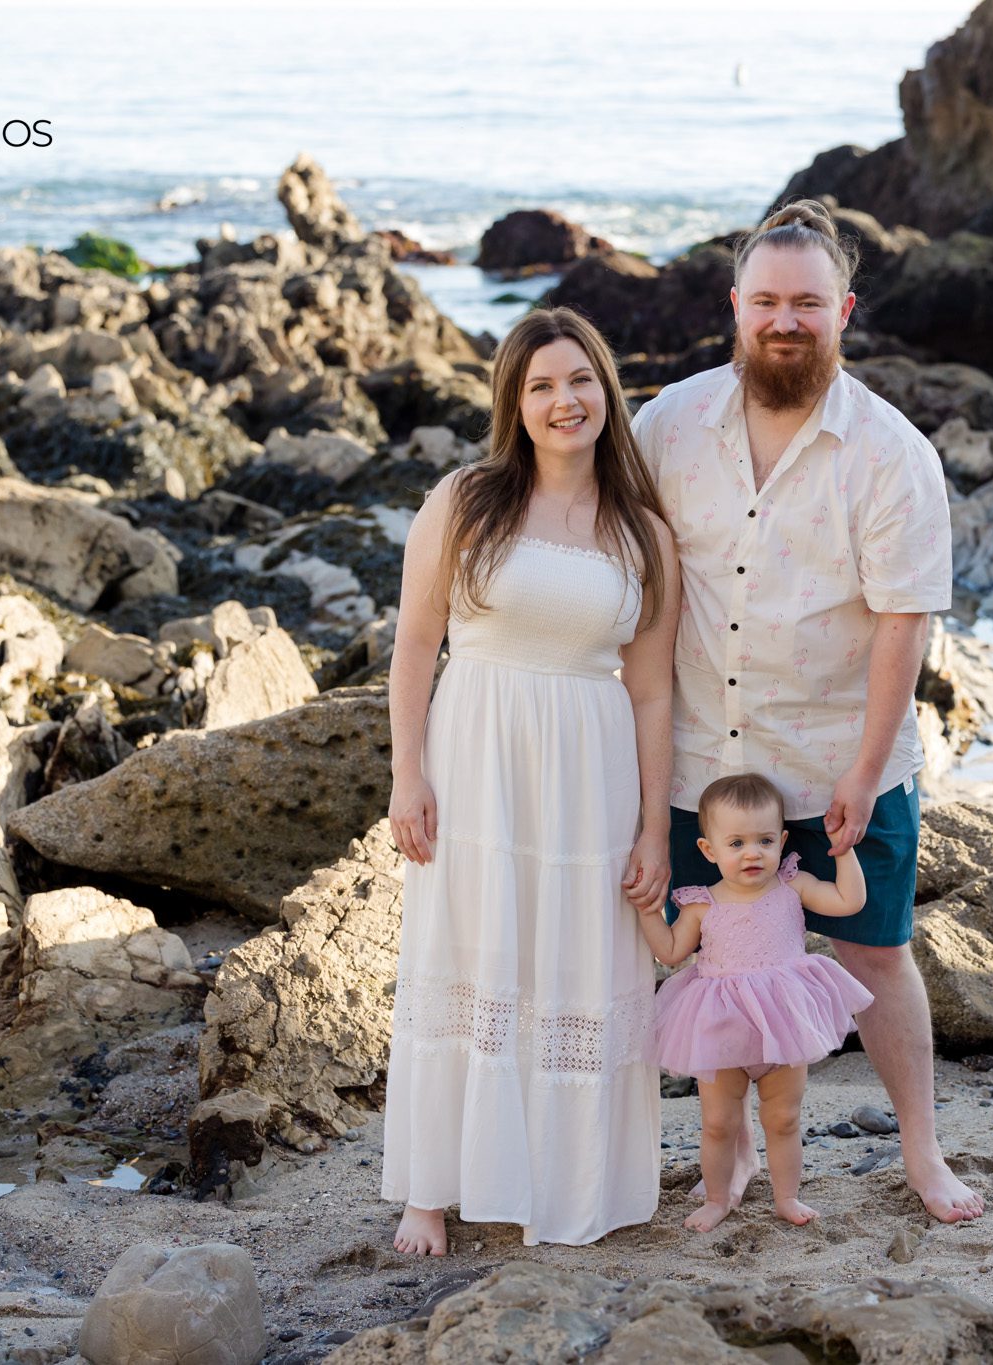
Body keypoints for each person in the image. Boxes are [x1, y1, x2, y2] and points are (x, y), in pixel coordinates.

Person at [628, 198, 983, 1224]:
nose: (786, 321)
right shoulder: (667, 425)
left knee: (876, 953)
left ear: (844, 312)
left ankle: (921, 1153)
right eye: (767, 301)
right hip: (701, 765)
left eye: (808, 304)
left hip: (838, 759)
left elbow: (902, 627)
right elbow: (629, 573)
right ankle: (733, 1150)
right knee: (716, 965)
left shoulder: (891, 453)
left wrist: (863, 775)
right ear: (736, 305)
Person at [382, 307, 680, 1254]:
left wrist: (654, 831)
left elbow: (652, 693)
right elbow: (415, 644)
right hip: (477, 759)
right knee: (466, 951)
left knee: (576, 961)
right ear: (514, 400)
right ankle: (430, 1189)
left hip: (591, 773)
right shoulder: (465, 500)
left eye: (581, 379)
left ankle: (567, 1184)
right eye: (542, 384)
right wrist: (407, 774)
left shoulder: (643, 533)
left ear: (607, 392)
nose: (565, 400)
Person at [640, 772, 874, 1232]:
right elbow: (669, 951)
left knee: (783, 1118)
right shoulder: (701, 904)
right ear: (709, 849)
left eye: (765, 841)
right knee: (718, 1123)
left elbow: (849, 901)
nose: (752, 853)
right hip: (723, 1028)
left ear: (782, 841)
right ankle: (717, 1199)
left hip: (783, 1025)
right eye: (736, 843)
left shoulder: (792, 886)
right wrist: (647, 909)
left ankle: (787, 1197)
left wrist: (843, 852)